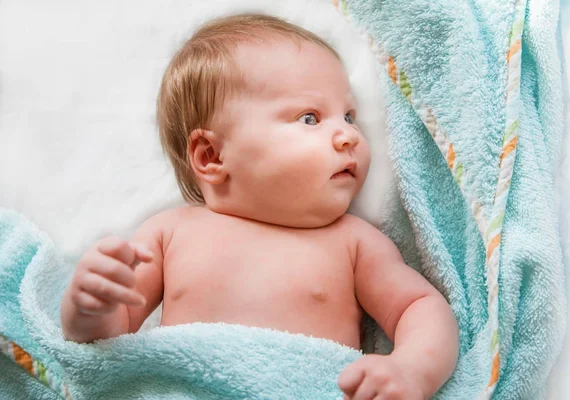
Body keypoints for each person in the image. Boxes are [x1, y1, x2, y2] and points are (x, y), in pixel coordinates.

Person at [60, 14, 458, 399]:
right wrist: (91, 306)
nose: (348, 136)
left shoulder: (354, 242)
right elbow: (108, 346)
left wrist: (410, 370)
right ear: (212, 155)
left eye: (349, 116)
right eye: (310, 118)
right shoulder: (168, 233)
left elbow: (419, 307)